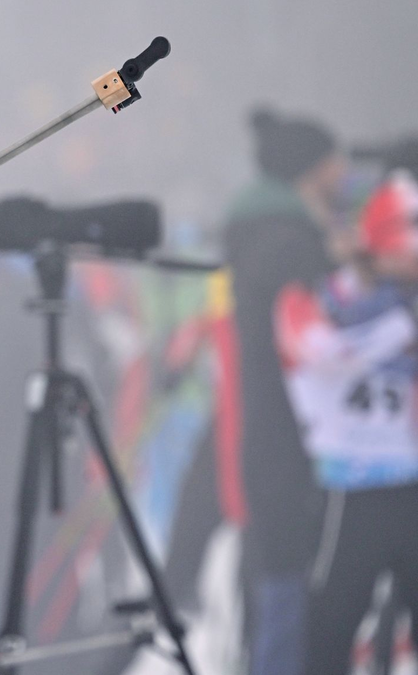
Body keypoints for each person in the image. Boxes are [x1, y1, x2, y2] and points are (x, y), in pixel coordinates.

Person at [275, 161, 418, 675]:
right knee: (329, 629)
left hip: (412, 487)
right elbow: (321, 348)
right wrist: (398, 326)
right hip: (350, 492)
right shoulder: (305, 300)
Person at [222, 107, 346, 675]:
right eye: (334, 162)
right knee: (291, 586)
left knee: (275, 578)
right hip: (296, 443)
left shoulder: (261, 233)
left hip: (268, 439)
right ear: (311, 171)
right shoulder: (291, 243)